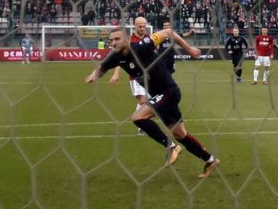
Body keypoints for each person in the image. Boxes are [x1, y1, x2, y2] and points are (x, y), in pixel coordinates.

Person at [85, 25, 219, 177]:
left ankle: (171, 147)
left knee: (137, 117)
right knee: (181, 134)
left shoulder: (143, 45)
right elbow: (102, 68)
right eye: (111, 40)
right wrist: (93, 75)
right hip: (158, 96)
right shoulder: (115, 56)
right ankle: (210, 160)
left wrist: (189, 49)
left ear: (127, 39)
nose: (114, 43)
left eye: (117, 39)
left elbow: (168, 32)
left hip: (169, 92)